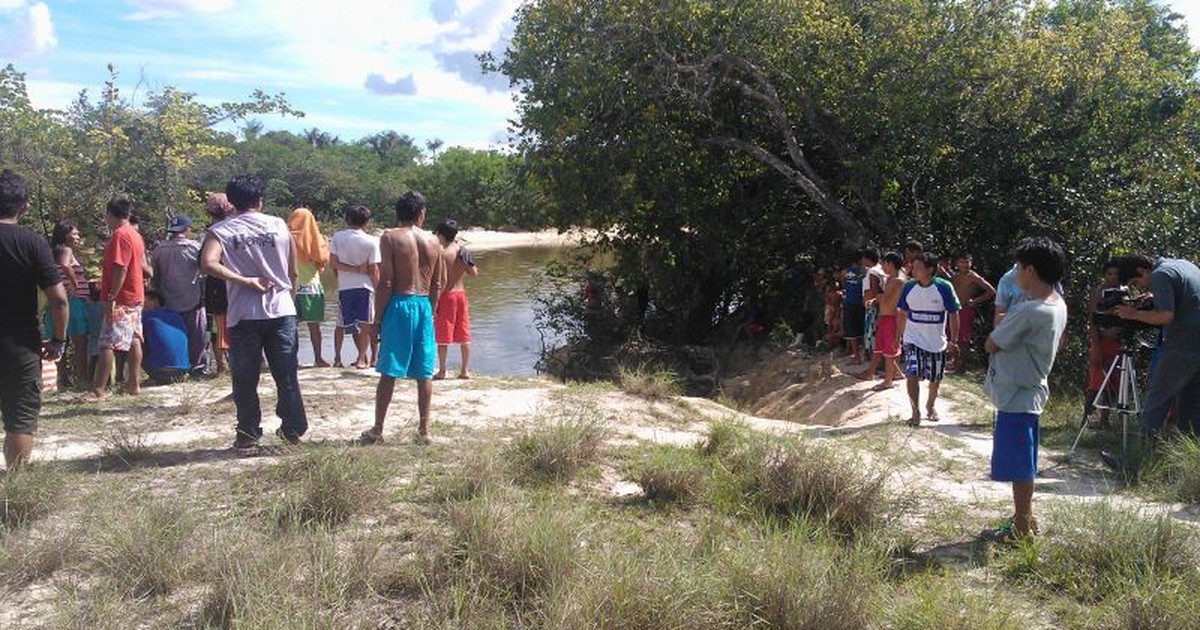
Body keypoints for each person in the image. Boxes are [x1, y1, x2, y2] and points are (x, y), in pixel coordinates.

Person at [200, 175, 308, 454]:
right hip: (281, 309)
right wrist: (289, 301)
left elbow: (208, 263)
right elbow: (293, 272)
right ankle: (292, 431)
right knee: (286, 375)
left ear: (232, 202)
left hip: (243, 313)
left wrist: (243, 280)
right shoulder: (278, 225)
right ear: (260, 200)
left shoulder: (221, 230)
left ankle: (247, 434)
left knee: (245, 378)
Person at [981, 237, 1068, 543]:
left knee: (1019, 467)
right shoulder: (1057, 303)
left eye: (1018, 266)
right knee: (1025, 463)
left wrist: (1001, 329)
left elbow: (992, 342)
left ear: (1030, 270)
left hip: (1017, 396)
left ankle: (1020, 527)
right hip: (1032, 391)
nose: (1015, 272)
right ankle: (1026, 518)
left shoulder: (1030, 310)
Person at [362, 190, 445, 445]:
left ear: (399, 213)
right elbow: (438, 283)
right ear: (420, 214)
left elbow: (386, 281)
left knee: (389, 369)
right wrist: (430, 311)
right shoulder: (434, 241)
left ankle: (378, 429)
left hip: (400, 303)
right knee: (424, 372)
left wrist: (376, 321)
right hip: (422, 304)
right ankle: (423, 432)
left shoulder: (390, 237)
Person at [0, 169, 68, 468]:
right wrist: (58, 339)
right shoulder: (32, 243)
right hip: (19, 342)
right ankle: (14, 488)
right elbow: (59, 298)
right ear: (24, 205)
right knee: (20, 419)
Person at [1106, 254, 1200, 469]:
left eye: (1135, 283)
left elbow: (1165, 316)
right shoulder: (1184, 265)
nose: (1138, 287)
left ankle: (1132, 464)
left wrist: (1132, 313)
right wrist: (1153, 298)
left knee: (1156, 403)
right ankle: (1187, 465)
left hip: (1182, 346)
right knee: (1192, 407)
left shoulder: (1161, 274)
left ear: (1143, 270)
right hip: (1196, 345)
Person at [86, 197, 146, 401]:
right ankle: (133, 384)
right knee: (135, 339)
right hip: (136, 294)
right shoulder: (135, 235)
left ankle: (98, 390)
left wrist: (111, 296)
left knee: (107, 343)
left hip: (122, 297)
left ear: (111, 215)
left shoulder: (120, 236)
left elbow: (120, 267)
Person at [897, 252, 961, 426]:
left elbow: (954, 313)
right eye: (913, 267)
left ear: (930, 270)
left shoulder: (944, 287)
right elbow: (902, 313)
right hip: (913, 339)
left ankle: (930, 405)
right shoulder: (909, 287)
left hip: (936, 342)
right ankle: (915, 412)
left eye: (918, 267)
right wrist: (898, 338)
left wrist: (953, 341)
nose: (913, 271)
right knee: (911, 372)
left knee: (934, 378)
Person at [152, 214, 207, 375]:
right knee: (197, 335)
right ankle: (197, 367)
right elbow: (204, 270)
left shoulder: (159, 249)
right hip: (192, 298)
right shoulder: (194, 248)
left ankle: (177, 366)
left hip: (168, 299)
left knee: (174, 335)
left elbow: (156, 276)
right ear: (187, 229)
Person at [329, 205, 381, 369]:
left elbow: (333, 263)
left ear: (347, 219)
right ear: (367, 222)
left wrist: (349, 270)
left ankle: (337, 358)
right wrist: (378, 288)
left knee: (341, 324)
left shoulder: (338, 237)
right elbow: (373, 269)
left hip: (345, 286)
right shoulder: (372, 240)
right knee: (366, 324)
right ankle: (361, 359)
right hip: (365, 286)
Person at [47, 220, 91, 389]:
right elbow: (65, 265)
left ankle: (62, 380)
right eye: (75, 234)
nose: (78, 237)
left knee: (59, 340)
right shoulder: (66, 250)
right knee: (80, 341)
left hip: (57, 302)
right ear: (65, 235)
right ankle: (83, 378)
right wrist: (75, 283)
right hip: (73, 302)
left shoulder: (53, 252)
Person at [433, 219, 478, 379]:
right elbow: (474, 274)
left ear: (441, 235)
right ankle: (464, 370)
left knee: (443, 336)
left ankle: (442, 370)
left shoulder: (440, 253)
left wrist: (434, 301)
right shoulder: (462, 251)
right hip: (461, 295)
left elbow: (439, 280)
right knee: (464, 333)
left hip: (446, 296)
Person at [288, 207, 331, 367]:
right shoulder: (316, 238)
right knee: (314, 327)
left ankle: (293, 359)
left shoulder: (286, 238)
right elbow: (322, 260)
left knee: (291, 327)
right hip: (311, 287)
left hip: (292, 288)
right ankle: (318, 358)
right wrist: (325, 245)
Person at [1085, 259, 1123, 425]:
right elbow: (1093, 320)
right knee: (1096, 382)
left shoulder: (1124, 291)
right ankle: (1085, 420)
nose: (1113, 277)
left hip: (1117, 343)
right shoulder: (1098, 292)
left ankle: (1104, 421)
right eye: (1109, 273)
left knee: (1112, 382)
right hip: (1100, 342)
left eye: (1116, 274)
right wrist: (1097, 347)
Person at [201, 193, 235, 375]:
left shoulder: (211, 233)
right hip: (237, 284)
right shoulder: (236, 228)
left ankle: (221, 366)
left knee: (216, 325)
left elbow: (203, 263)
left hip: (216, 284)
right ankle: (236, 363)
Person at [861, 252, 904, 390]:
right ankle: (895, 373)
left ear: (890, 264)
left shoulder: (897, 280)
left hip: (891, 318)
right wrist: (874, 299)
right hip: (885, 316)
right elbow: (884, 298)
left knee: (889, 350)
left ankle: (888, 380)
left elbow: (885, 298)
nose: (883, 267)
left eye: (884, 264)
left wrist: (874, 295)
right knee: (880, 347)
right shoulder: (890, 279)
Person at [950, 252, 996, 372]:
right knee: (953, 336)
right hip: (954, 310)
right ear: (956, 263)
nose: (965, 264)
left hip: (966, 309)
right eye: (962, 261)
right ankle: (955, 363)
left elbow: (991, 291)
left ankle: (961, 366)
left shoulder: (973, 276)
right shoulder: (954, 276)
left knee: (964, 339)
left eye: (967, 261)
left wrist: (975, 301)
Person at [141, 290, 190, 384]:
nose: (142, 307)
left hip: (159, 371)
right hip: (183, 370)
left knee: (134, 341)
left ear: (155, 301)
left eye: (144, 303)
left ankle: (126, 379)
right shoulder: (176, 315)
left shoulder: (146, 317)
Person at [861, 247, 885, 368]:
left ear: (866, 259)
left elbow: (876, 291)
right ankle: (877, 363)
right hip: (874, 307)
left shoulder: (873, 272)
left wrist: (874, 305)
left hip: (873, 309)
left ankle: (878, 364)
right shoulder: (880, 269)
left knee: (872, 335)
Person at [842, 258, 865, 362]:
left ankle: (856, 356)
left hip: (849, 302)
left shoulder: (845, 272)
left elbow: (844, 285)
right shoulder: (865, 271)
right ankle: (866, 354)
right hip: (862, 303)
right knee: (864, 330)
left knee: (851, 331)